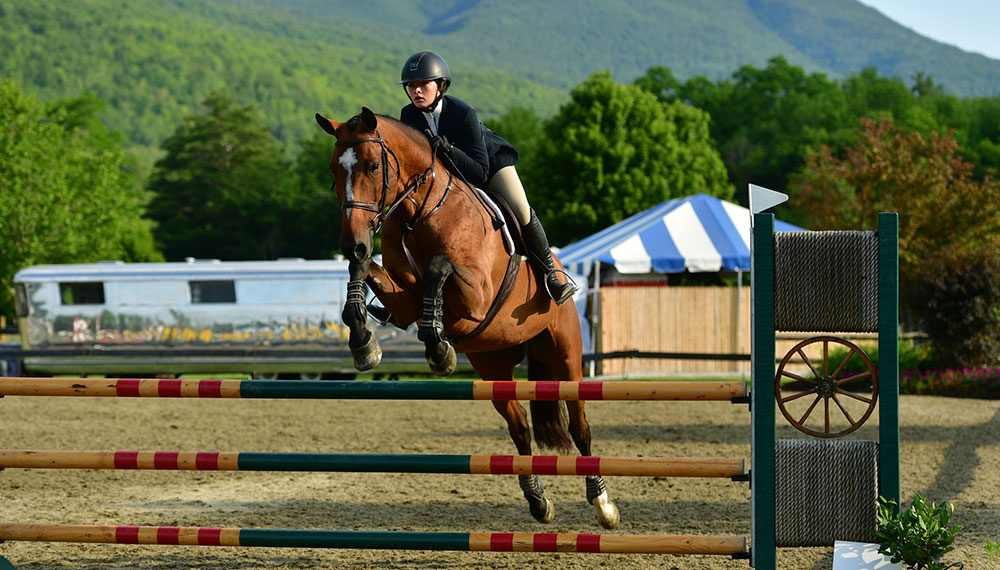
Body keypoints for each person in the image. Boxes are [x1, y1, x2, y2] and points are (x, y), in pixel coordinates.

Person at [398, 50, 577, 306]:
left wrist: (449, 150)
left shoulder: (463, 113)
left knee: (521, 209)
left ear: (440, 86)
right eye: (411, 86)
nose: (416, 91)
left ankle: (551, 276)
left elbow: (479, 173)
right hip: (449, 178)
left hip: (490, 165)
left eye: (422, 85)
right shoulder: (408, 116)